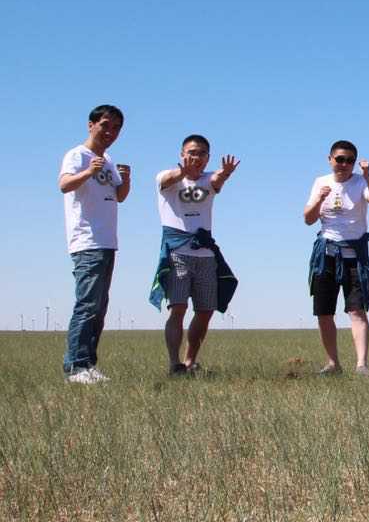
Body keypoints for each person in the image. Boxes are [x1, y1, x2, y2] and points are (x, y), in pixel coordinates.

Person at [148, 135, 239, 375]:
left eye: (201, 153)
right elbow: (167, 179)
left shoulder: (208, 179)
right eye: (191, 152)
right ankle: (174, 363)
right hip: (177, 252)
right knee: (177, 308)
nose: (196, 157)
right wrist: (183, 173)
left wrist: (225, 173)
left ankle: (190, 361)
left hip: (205, 255)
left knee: (205, 310)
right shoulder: (166, 177)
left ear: (207, 158)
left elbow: (216, 181)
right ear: (182, 154)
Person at [59, 105, 131, 384]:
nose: (110, 132)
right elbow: (64, 185)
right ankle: (75, 366)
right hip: (87, 240)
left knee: (99, 306)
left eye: (116, 128)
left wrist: (126, 180)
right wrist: (89, 171)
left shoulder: (108, 160)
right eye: (105, 125)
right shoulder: (77, 155)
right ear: (91, 125)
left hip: (107, 241)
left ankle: (88, 364)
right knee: (87, 304)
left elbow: (120, 196)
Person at [304, 140, 369, 376]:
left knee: (357, 311)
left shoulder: (360, 182)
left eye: (350, 160)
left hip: (354, 256)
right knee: (324, 312)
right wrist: (319, 199)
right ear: (330, 159)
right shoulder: (321, 182)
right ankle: (333, 364)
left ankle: (361, 364)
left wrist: (368, 175)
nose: (344, 164)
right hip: (326, 254)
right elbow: (308, 219)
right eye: (340, 159)